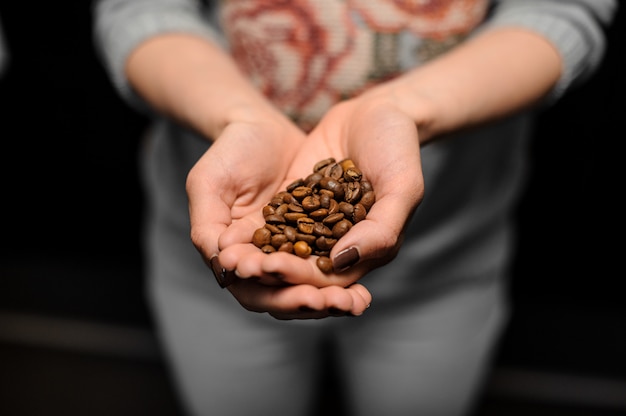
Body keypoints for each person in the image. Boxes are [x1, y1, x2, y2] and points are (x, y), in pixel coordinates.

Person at [93, 1, 616, 415]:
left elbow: (563, 12)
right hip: (218, 259)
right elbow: (138, 10)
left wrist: (404, 109)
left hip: (449, 259)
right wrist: (236, 113)